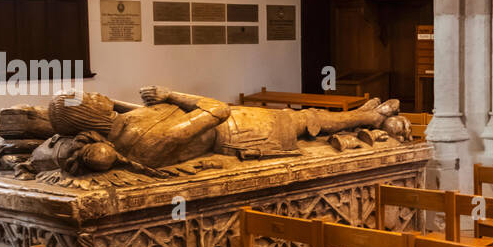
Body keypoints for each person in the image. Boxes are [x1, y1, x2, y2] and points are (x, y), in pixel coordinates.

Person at [38, 86, 408, 177]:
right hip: (238, 135)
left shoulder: (123, 129)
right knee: (305, 120)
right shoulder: (145, 140)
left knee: (307, 120)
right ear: (89, 114)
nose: (100, 96)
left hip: (232, 130)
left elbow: (146, 115)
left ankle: (364, 114)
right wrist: (171, 94)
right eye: (92, 98)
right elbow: (217, 110)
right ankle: (370, 118)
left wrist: (123, 104)